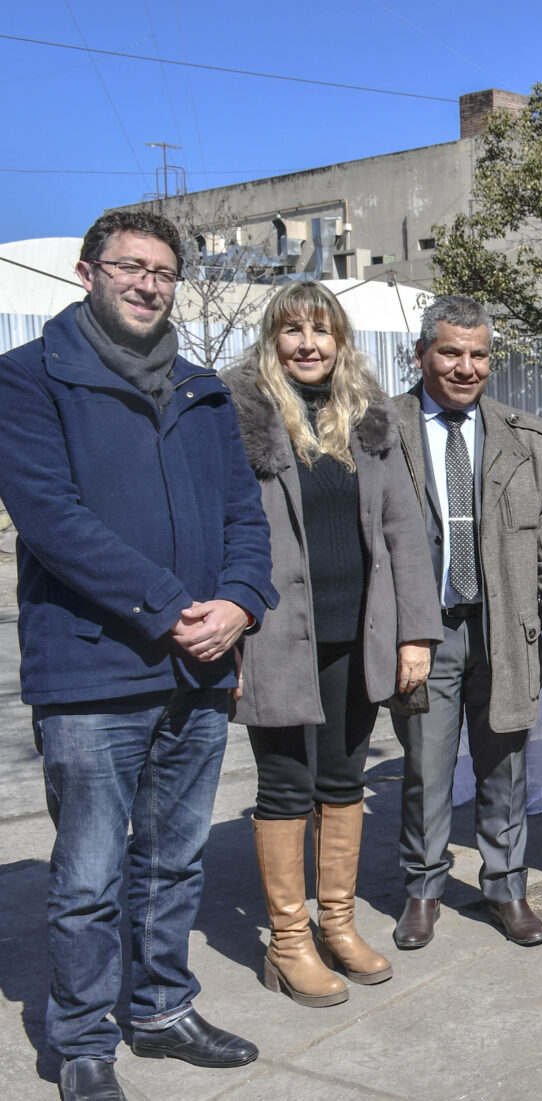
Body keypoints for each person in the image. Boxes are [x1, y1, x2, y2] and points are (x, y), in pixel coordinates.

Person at [0, 211, 275, 1100]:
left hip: (200, 666)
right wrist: (169, 607)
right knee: (88, 875)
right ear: (88, 273)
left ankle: (160, 1009)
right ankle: (82, 1039)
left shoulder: (203, 389)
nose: (148, 284)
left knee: (175, 858)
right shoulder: (27, 379)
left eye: (163, 271)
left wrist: (241, 602)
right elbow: (52, 520)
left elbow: (244, 515)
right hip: (93, 669)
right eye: (130, 266)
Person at [223, 282, 439, 1006]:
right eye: (293, 331)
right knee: (286, 783)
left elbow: (404, 530)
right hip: (274, 634)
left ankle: (337, 924)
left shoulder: (369, 420)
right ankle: (288, 942)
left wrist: (415, 632)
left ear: (341, 341)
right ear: (272, 340)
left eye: (322, 330)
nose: (308, 344)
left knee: (344, 781)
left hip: (358, 632)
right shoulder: (241, 418)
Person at [389, 295, 542, 950]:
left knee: (506, 764)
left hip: (506, 628)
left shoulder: (525, 436)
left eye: (478, 355)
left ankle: (506, 887)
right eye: (450, 352)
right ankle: (423, 889)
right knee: (426, 767)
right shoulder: (382, 430)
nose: (465, 367)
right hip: (425, 633)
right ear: (421, 354)